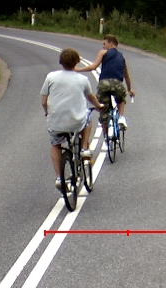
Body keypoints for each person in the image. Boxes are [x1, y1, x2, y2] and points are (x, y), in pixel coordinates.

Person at [40, 48, 103, 189]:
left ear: (61, 61)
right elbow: (90, 97)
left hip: (55, 122)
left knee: (56, 145)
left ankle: (59, 178)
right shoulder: (82, 79)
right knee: (88, 116)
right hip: (76, 121)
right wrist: (98, 105)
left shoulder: (51, 77)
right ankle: (84, 147)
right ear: (76, 62)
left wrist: (48, 113)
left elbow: (44, 102)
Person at [76, 34, 135, 129]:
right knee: (121, 99)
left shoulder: (103, 52)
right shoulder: (122, 57)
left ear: (111, 44)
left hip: (104, 84)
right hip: (117, 84)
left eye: (104, 44)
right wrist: (130, 89)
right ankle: (121, 117)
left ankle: (106, 137)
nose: (103, 46)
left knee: (104, 111)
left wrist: (78, 69)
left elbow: (93, 66)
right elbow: (127, 76)